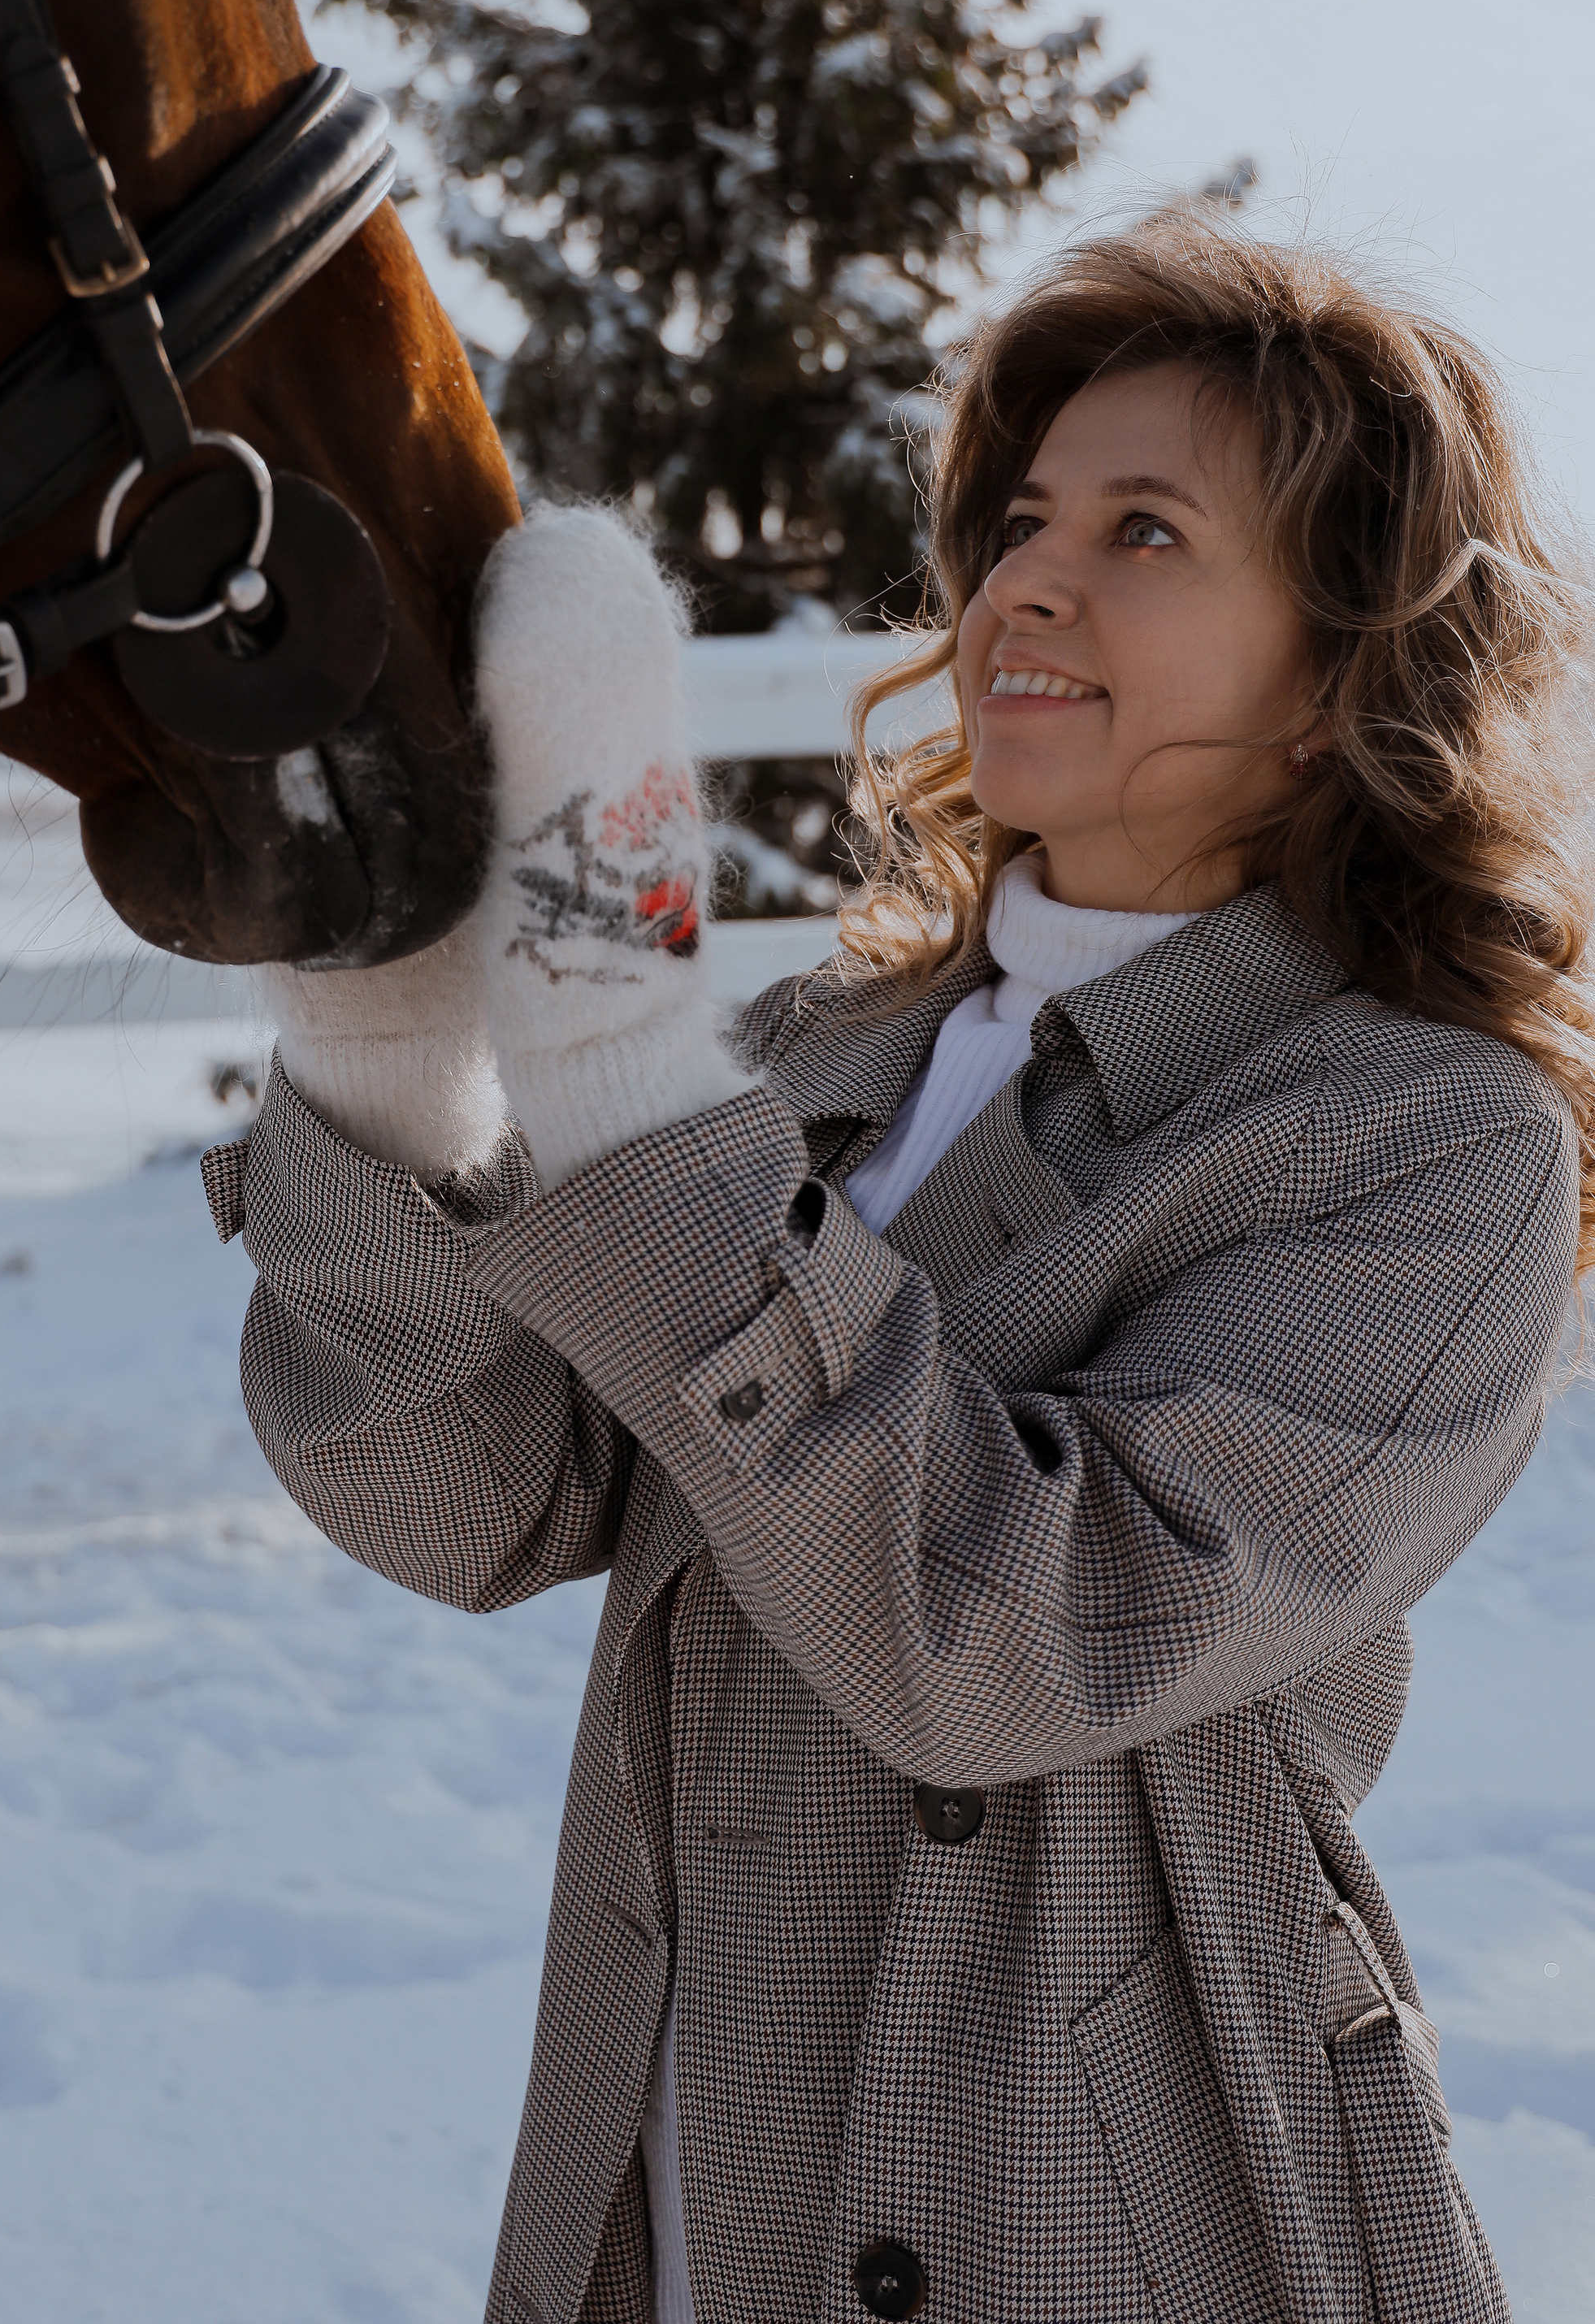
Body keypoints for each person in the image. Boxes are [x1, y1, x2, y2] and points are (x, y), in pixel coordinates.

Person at [207, 216, 1594, 2324]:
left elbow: (1005, 1641)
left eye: (1146, 531)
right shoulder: (823, 1063)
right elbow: (477, 1503)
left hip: (1099, 2210)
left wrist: (628, 1089)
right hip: (680, 2169)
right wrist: (398, 1074)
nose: (1025, 579)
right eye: (1023, 516)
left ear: (1345, 667)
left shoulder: (1424, 1147)